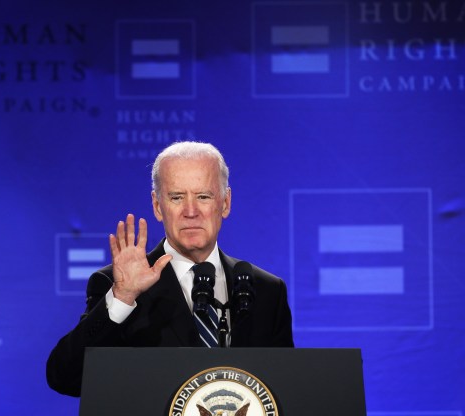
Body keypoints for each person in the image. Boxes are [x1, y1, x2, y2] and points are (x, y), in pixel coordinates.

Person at [46, 141, 294, 397]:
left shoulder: (266, 291)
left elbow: (286, 389)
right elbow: (65, 377)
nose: (190, 211)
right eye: (177, 197)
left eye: (203, 196)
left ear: (225, 202)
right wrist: (122, 298)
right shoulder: (117, 286)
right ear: (157, 206)